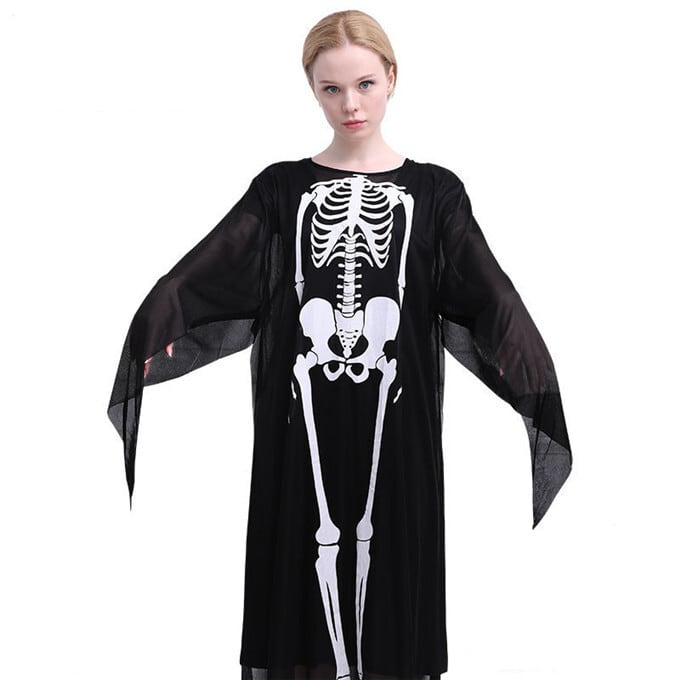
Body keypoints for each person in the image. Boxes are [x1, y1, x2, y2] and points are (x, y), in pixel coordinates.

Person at [108, 9, 572, 680]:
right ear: (312, 89)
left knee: (395, 591)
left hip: (398, 429)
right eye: (331, 88)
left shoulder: (435, 192)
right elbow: (209, 269)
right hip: (299, 431)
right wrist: (154, 326)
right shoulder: (280, 189)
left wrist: (532, 373)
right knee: (298, 570)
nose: (350, 104)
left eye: (364, 84)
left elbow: (485, 288)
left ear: (392, 78)